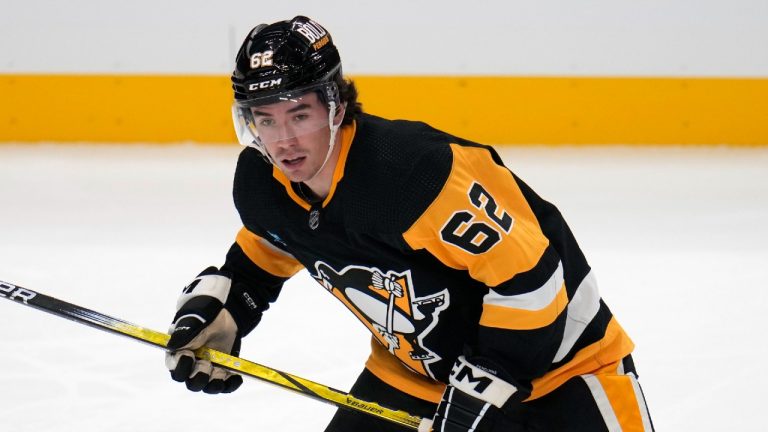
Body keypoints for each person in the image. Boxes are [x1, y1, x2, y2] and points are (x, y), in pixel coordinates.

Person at [164, 15, 654, 432]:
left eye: (299, 115)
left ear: (334, 104)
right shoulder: (263, 183)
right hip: (413, 380)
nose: (283, 141)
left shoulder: (415, 176)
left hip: (562, 373)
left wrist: (485, 386)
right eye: (265, 120)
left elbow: (532, 282)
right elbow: (265, 254)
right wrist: (224, 307)